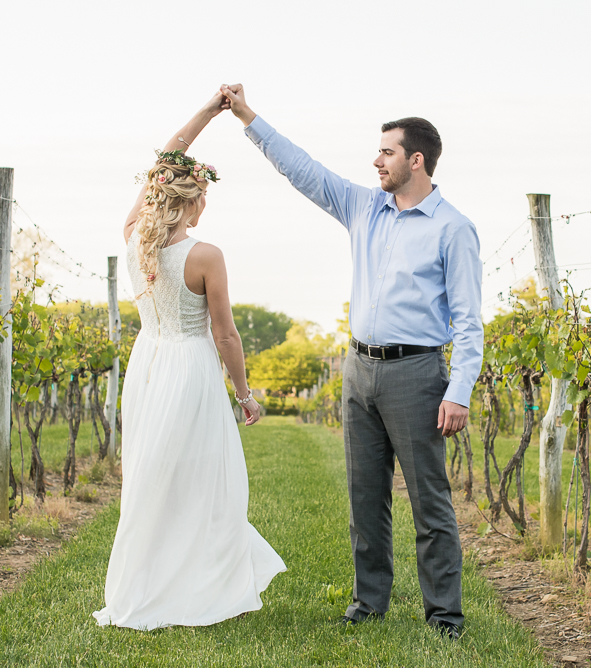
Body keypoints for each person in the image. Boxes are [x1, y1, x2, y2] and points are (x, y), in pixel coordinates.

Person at [221, 83, 483, 639]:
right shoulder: (365, 206)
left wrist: (458, 389)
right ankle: (370, 602)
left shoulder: (453, 228)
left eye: (386, 151)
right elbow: (305, 170)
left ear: (416, 160)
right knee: (366, 499)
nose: (376, 159)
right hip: (358, 370)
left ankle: (444, 617)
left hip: (417, 375)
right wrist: (248, 116)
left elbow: (469, 320)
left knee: (429, 502)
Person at [92, 91, 286, 631]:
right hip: (191, 370)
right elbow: (224, 335)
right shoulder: (205, 255)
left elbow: (165, 157)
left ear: (156, 196)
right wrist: (245, 395)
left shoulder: (134, 240)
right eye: (203, 197)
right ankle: (197, 586)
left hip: (147, 364)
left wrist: (205, 113)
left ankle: (148, 585)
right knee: (204, 481)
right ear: (194, 202)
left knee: (150, 479)